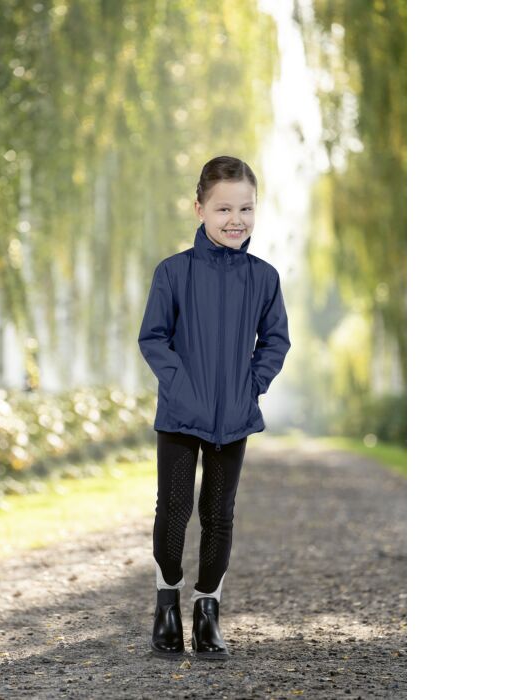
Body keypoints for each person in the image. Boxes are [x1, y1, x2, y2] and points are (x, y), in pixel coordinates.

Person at [138, 155, 291, 660]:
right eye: (224, 208)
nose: (235, 220)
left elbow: (275, 340)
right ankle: (167, 603)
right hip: (181, 415)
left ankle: (207, 611)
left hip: (233, 417)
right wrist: (182, 389)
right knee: (175, 510)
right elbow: (153, 338)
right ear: (199, 208)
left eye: (246, 208)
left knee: (218, 515)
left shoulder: (263, 278)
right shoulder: (173, 272)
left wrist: (252, 385)